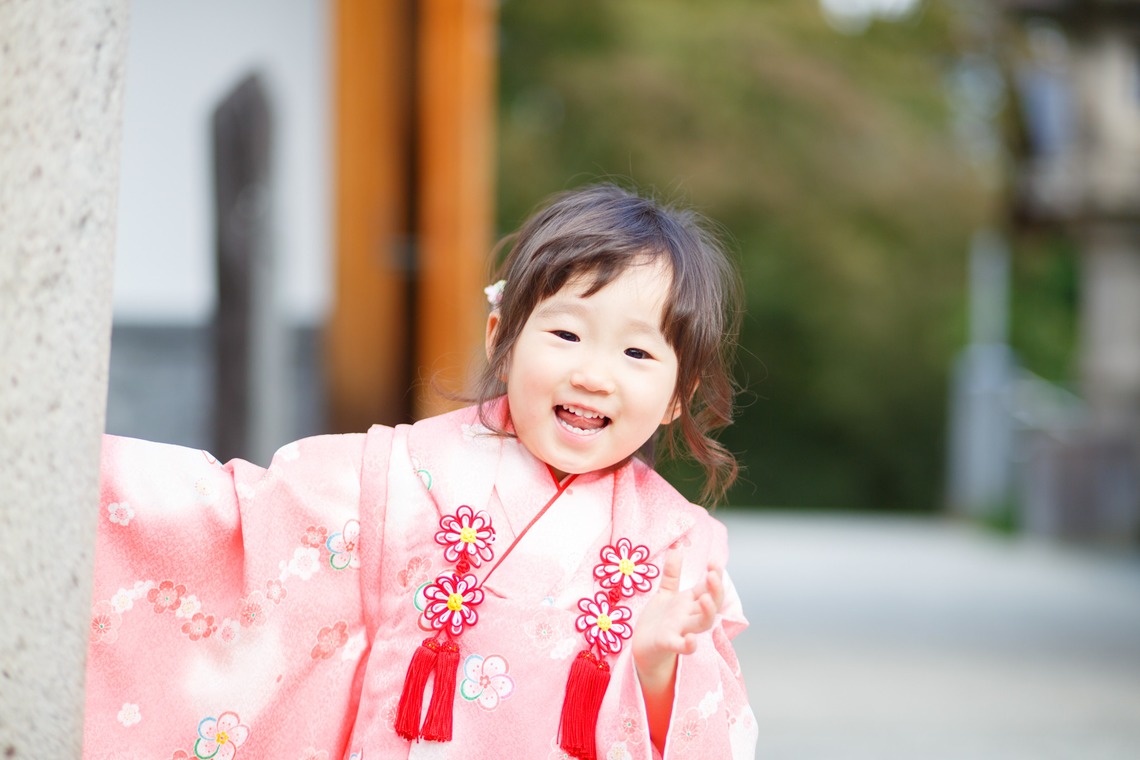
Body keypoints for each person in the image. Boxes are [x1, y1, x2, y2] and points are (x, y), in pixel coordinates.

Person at [84, 184, 757, 760]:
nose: (593, 373)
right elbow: (240, 518)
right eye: (566, 334)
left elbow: (712, 735)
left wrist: (655, 661)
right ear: (501, 336)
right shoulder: (397, 479)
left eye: (638, 352)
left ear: (679, 393)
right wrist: (83, 471)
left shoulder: (676, 552)